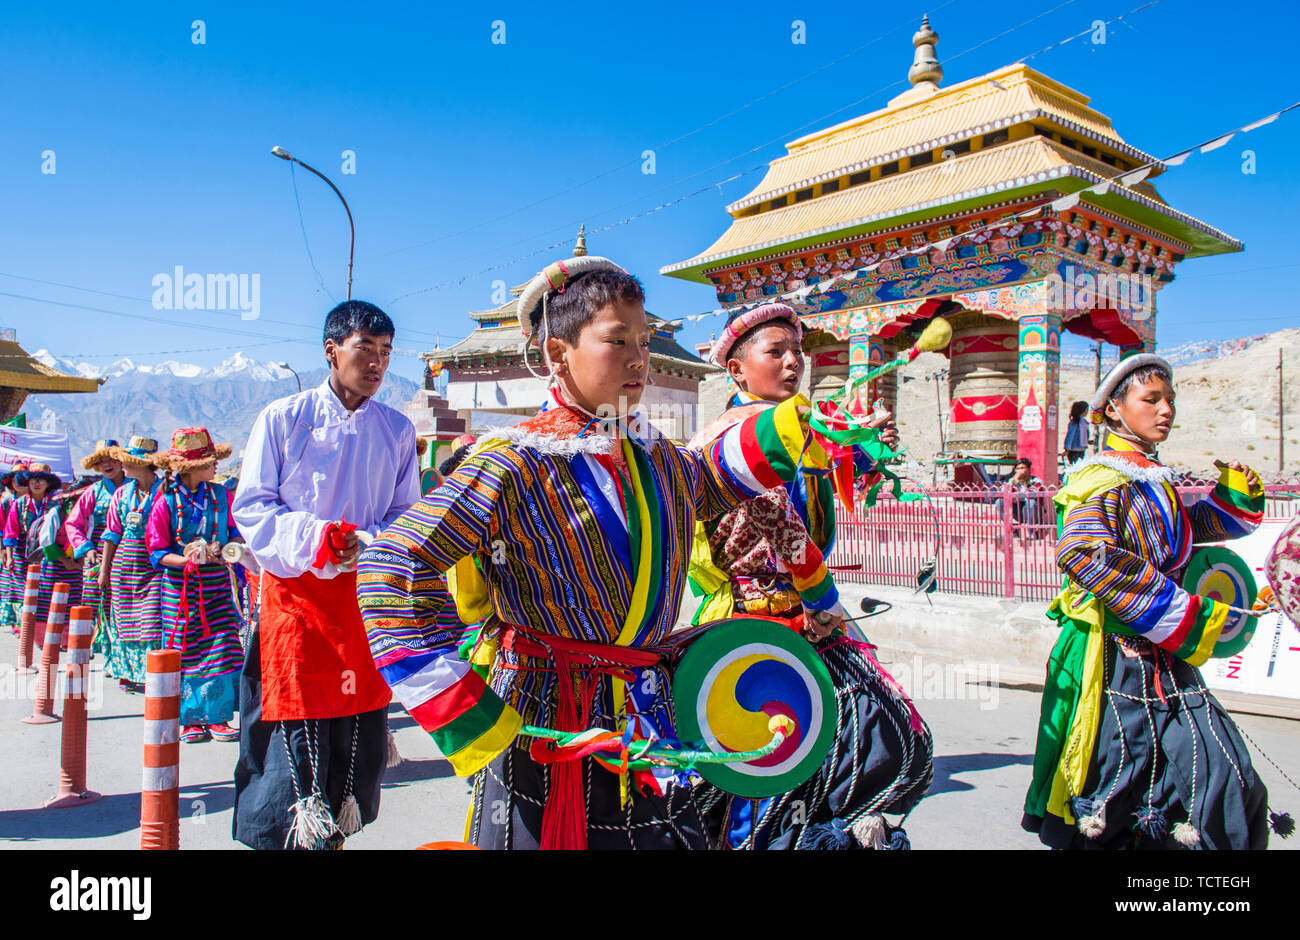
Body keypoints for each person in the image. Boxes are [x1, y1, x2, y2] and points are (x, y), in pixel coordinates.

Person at [357, 255, 836, 850]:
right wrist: (459, 707)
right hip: (542, 714)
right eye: (617, 340)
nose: (639, 358)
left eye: (645, 340)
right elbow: (391, 567)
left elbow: (709, 483)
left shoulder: (653, 453)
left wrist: (785, 432)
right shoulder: (513, 461)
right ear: (559, 353)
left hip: (642, 710)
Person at [687, 302, 933, 849]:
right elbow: (781, 524)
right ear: (737, 369)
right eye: (775, 352)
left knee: (849, 742)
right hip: (755, 618)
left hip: (803, 614)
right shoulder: (738, 439)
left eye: (798, 352)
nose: (794, 363)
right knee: (763, 763)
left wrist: (864, 453)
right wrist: (823, 600)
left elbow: (815, 488)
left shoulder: (791, 429)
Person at [1023, 354, 1274, 849]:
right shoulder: (1102, 478)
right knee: (1122, 788)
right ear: (1114, 410)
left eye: (1170, 400)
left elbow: (1187, 532)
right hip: (1118, 658)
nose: (1166, 411)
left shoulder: (1151, 478)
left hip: (1164, 654)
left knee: (1223, 779)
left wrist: (1233, 498)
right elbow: (1082, 552)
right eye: (1151, 399)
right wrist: (1186, 615)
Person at [232, 300, 419, 851]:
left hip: (363, 608)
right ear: (331, 350)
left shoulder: (397, 429)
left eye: (386, 352)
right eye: (366, 349)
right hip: (295, 607)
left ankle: (334, 840)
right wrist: (319, 538)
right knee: (285, 757)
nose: (378, 363)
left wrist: (371, 542)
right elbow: (254, 507)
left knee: (352, 751)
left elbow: (406, 516)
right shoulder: (283, 418)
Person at [146, 429, 244, 744]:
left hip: (217, 586)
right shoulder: (165, 501)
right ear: (193, 466)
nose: (215, 466)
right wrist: (189, 560)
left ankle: (217, 716)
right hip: (180, 590)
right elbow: (158, 551)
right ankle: (189, 719)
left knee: (222, 649)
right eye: (210, 461)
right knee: (185, 650)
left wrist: (229, 549)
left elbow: (234, 533)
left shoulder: (220, 496)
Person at [99, 437, 165, 692]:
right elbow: (112, 533)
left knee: (151, 620)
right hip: (123, 568)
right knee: (124, 621)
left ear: (144, 465)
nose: (122, 466)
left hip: (154, 566)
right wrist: (104, 570)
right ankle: (127, 672)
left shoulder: (164, 491)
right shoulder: (122, 494)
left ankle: (153, 672)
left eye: (127, 461)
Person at [65, 440, 125, 673]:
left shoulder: (136, 487)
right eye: (101, 461)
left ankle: (121, 660)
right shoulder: (93, 491)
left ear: (122, 461)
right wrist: (86, 548)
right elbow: (74, 524)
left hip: (128, 558)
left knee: (124, 610)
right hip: (97, 559)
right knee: (98, 609)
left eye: (111, 459)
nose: (107, 464)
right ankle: (105, 656)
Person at [0, 465, 27, 634]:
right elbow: (3, 527)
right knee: (15, 584)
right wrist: (3, 549)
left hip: (32, 547)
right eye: (16, 479)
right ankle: (18, 622)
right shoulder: (7, 501)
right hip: (13, 547)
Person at [1063, 400, 1089, 465]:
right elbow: (1070, 436)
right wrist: (1067, 449)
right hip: (1074, 450)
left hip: (1081, 450)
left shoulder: (1084, 422)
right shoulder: (1075, 422)